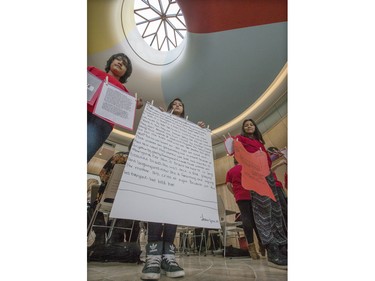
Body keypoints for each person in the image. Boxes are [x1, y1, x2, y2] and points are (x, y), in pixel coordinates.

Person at [141, 98, 205, 280]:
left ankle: (168, 256)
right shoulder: (161, 120)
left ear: (184, 109)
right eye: (174, 104)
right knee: (156, 207)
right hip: (158, 168)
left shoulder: (188, 127)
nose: (177, 105)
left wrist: (198, 132)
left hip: (179, 172)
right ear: (169, 107)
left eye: (180, 104)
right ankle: (153, 256)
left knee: (172, 210)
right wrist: (157, 118)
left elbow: (192, 148)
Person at [234, 119, 287, 269]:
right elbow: (236, 151)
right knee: (263, 213)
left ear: (255, 127)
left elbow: (266, 161)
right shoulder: (241, 139)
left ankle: (282, 246)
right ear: (243, 129)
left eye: (251, 124)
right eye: (246, 125)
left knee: (276, 212)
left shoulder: (260, 143)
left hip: (268, 176)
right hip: (255, 177)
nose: (249, 126)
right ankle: (272, 249)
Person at [87, 53, 144, 163]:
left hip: (102, 123)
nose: (121, 62)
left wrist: (134, 106)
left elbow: (125, 110)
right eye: (118, 59)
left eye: (125, 64)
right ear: (111, 61)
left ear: (125, 73)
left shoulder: (125, 91)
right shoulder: (92, 70)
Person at [226, 157, 265, 259]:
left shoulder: (230, 171)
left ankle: (252, 248)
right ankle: (262, 244)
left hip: (240, 196)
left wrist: (235, 193)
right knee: (256, 219)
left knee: (246, 218)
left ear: (234, 162)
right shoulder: (248, 168)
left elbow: (228, 185)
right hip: (252, 195)